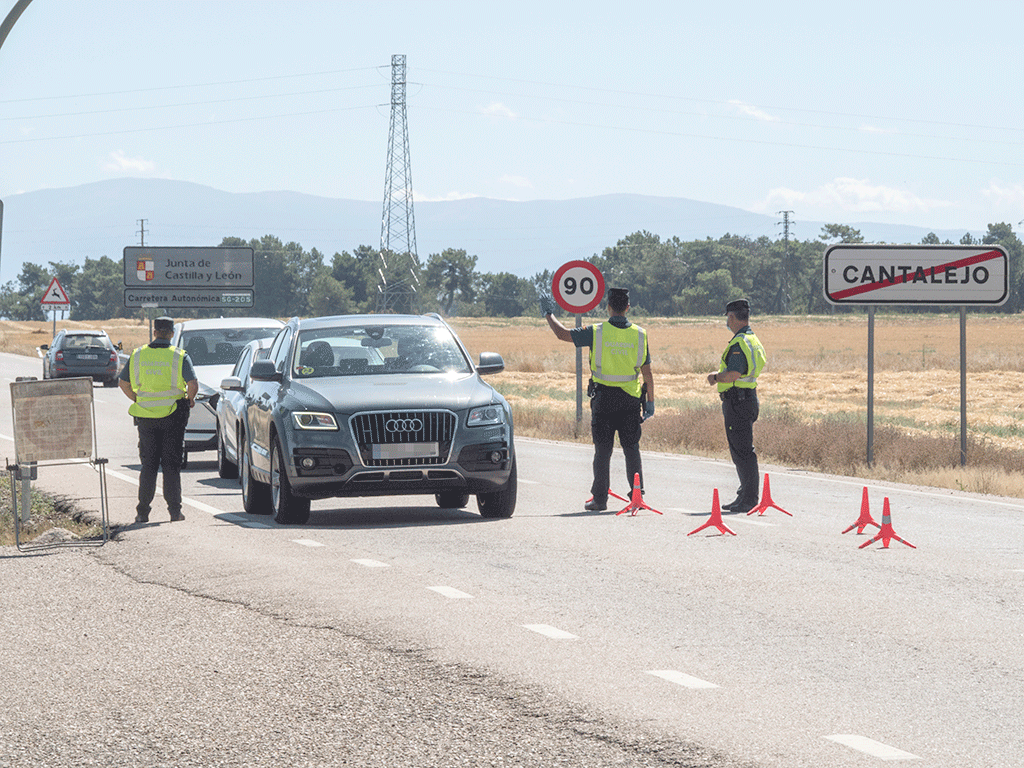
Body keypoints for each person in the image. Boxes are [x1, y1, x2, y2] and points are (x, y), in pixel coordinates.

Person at [541, 287, 655, 511]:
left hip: (604, 400)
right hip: (631, 401)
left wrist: (548, 313)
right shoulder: (640, 334)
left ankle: (600, 499)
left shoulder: (596, 332)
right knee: (632, 449)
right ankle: (637, 496)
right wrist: (650, 401)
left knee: (603, 451)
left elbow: (562, 334)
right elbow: (648, 373)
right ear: (628, 308)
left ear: (608, 307)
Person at [119, 316, 198, 523]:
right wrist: (190, 399)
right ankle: (175, 512)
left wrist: (139, 399)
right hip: (173, 417)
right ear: (171, 334)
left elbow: (123, 383)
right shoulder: (179, 356)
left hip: (146, 418)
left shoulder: (137, 354)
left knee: (149, 465)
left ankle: (142, 512)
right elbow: (192, 384)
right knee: (171, 465)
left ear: (154, 333)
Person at [706, 298, 767, 513]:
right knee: (741, 450)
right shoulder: (752, 339)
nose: (727, 322)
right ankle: (744, 495)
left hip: (737, 401)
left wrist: (715, 377)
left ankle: (749, 499)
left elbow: (733, 373)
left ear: (732, 317)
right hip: (747, 398)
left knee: (743, 452)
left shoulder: (739, 343)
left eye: (727, 318)